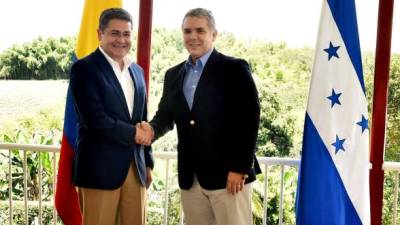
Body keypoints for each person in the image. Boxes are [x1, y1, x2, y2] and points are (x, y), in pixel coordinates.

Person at [138, 7, 261, 225]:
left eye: (200, 31)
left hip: (230, 178)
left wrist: (240, 168)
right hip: (191, 178)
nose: (193, 36)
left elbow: (249, 119)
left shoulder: (234, 69)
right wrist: (152, 129)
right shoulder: (173, 75)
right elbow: (165, 116)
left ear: (214, 34)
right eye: (187, 31)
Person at [69, 8, 154, 225]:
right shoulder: (84, 69)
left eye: (126, 34)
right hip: (99, 170)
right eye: (115, 33)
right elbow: (95, 120)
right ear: (100, 34)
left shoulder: (137, 71)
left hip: (136, 169)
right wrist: (135, 133)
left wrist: (149, 162)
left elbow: (142, 119)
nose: (122, 40)